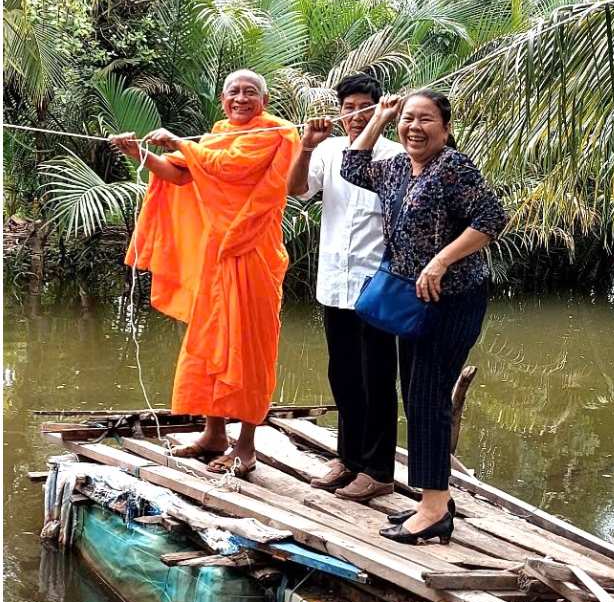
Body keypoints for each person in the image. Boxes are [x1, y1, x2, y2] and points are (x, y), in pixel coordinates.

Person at [110, 70, 299, 475]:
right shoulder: (214, 136)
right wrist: (137, 154)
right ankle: (214, 433)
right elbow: (179, 175)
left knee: (249, 348)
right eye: (235, 92)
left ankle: (246, 446)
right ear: (222, 99)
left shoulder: (276, 134)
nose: (242, 98)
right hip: (214, 256)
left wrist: (178, 141)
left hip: (252, 252)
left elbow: (229, 168)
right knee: (211, 340)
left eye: (252, 92)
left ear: (263, 101)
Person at [341, 89, 506, 543]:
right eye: (408, 119)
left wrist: (442, 260)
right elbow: (351, 165)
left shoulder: (453, 167)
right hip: (412, 299)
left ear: (446, 128)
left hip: (453, 299)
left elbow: (491, 218)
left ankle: (433, 508)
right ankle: (435, 501)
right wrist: (380, 115)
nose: (415, 127)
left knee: (428, 397)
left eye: (426, 119)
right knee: (418, 397)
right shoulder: (396, 167)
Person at [287, 73, 402, 502]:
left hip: (378, 284)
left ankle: (378, 470)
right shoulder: (329, 151)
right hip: (335, 282)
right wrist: (306, 145)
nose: (355, 115)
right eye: (348, 107)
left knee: (377, 377)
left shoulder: (394, 154)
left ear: (380, 109)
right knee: (344, 374)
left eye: (363, 107)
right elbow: (295, 189)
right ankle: (348, 458)